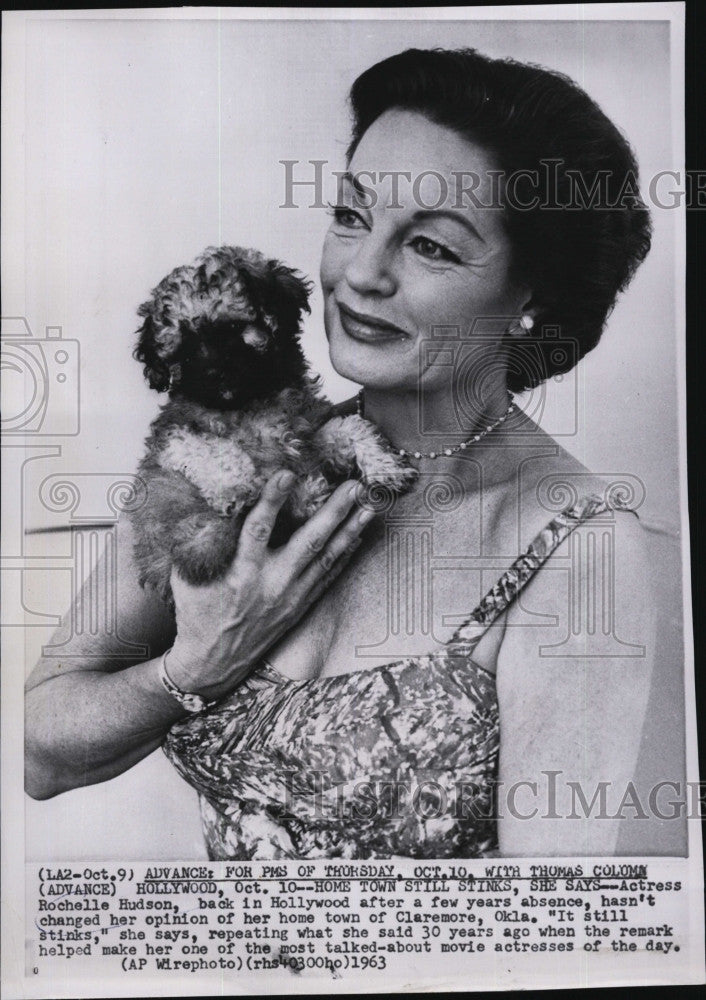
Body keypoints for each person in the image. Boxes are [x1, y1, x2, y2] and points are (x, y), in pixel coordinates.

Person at [25, 47, 668, 859]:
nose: (360, 274)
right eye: (352, 214)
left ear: (533, 297)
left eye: (430, 246)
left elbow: (546, 936)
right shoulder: (233, 455)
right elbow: (37, 752)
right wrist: (193, 665)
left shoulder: (577, 545)